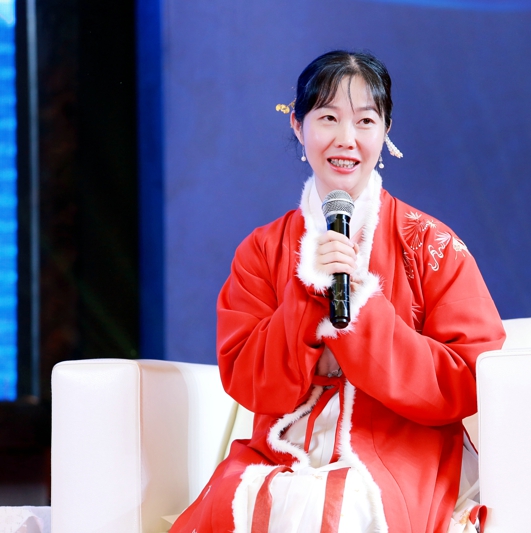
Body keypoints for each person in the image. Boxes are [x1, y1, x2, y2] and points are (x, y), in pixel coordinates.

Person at [171, 50, 505, 533]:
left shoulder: (431, 244)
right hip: (279, 449)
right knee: (246, 504)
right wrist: (306, 300)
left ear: (386, 131)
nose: (346, 139)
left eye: (365, 120)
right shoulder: (262, 250)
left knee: (338, 509)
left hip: (401, 448)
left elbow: (470, 376)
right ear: (298, 127)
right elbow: (247, 377)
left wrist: (363, 313)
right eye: (328, 117)